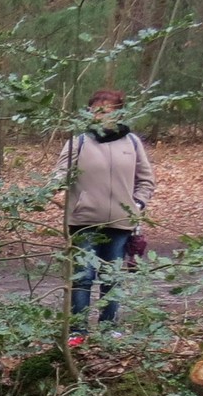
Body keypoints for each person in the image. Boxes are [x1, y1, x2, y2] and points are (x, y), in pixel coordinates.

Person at [53, 88, 155, 342]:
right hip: (84, 221)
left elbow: (146, 179)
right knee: (83, 276)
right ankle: (77, 331)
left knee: (112, 278)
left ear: (119, 113)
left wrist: (138, 204)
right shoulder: (79, 142)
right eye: (96, 111)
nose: (101, 116)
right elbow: (59, 175)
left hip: (120, 222)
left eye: (108, 111)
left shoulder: (131, 142)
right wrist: (53, 190)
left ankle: (109, 329)